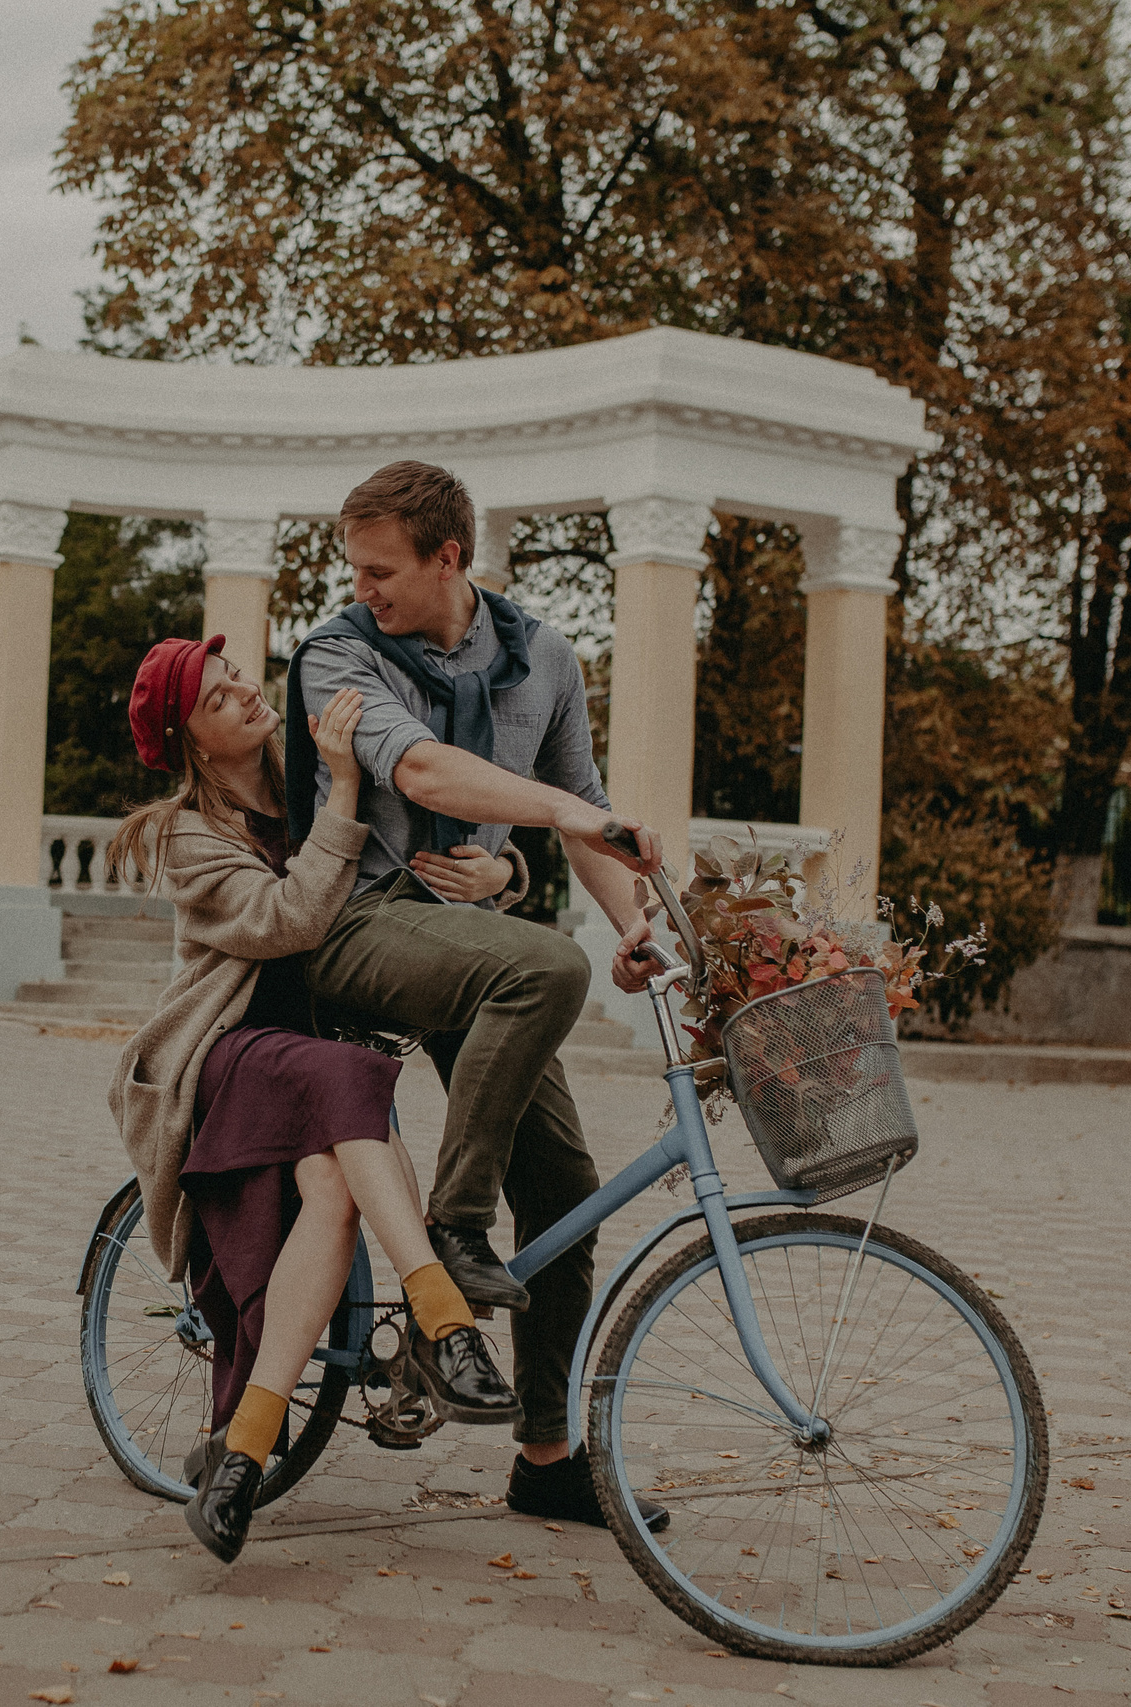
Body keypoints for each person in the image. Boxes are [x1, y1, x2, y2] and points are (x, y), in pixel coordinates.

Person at [281, 460, 670, 1532]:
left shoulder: (541, 655)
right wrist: (566, 827)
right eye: (355, 571)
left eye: (381, 571)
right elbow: (423, 777)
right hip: (356, 928)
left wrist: (633, 919)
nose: (364, 589)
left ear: (449, 557)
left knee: (568, 1192)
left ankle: (545, 1459)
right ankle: (448, 1250)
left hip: (469, 946)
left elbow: (582, 809)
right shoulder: (338, 652)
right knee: (543, 963)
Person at [107, 633, 523, 1563]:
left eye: (238, 676)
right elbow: (289, 922)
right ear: (193, 742)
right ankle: (446, 1319)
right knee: (352, 1078)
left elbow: (424, 860)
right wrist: (341, 791)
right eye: (219, 698)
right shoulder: (186, 831)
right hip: (233, 1054)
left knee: (335, 1186)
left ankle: (241, 1458)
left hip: (321, 1059)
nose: (247, 693)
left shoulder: (307, 774)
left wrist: (508, 872)